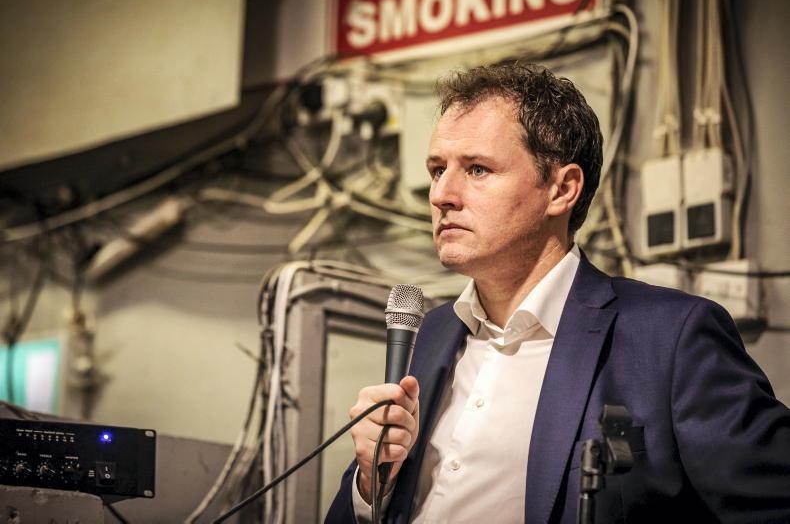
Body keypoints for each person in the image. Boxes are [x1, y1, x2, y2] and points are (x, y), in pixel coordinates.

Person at [325, 64, 790, 524]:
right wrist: (371, 483)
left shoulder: (670, 338)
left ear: (562, 190)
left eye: (478, 169)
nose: (441, 194)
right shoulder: (429, 333)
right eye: (437, 169)